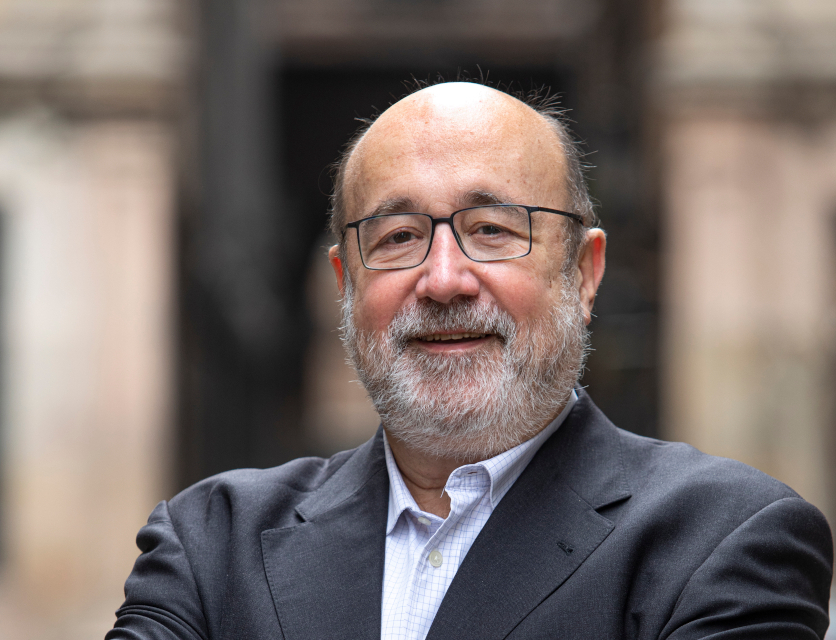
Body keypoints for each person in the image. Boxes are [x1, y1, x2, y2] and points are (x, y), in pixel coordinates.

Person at [107, 81, 833, 640]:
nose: (444, 279)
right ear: (345, 285)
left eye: (492, 229)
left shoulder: (725, 539)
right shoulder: (210, 543)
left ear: (584, 273)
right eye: (397, 237)